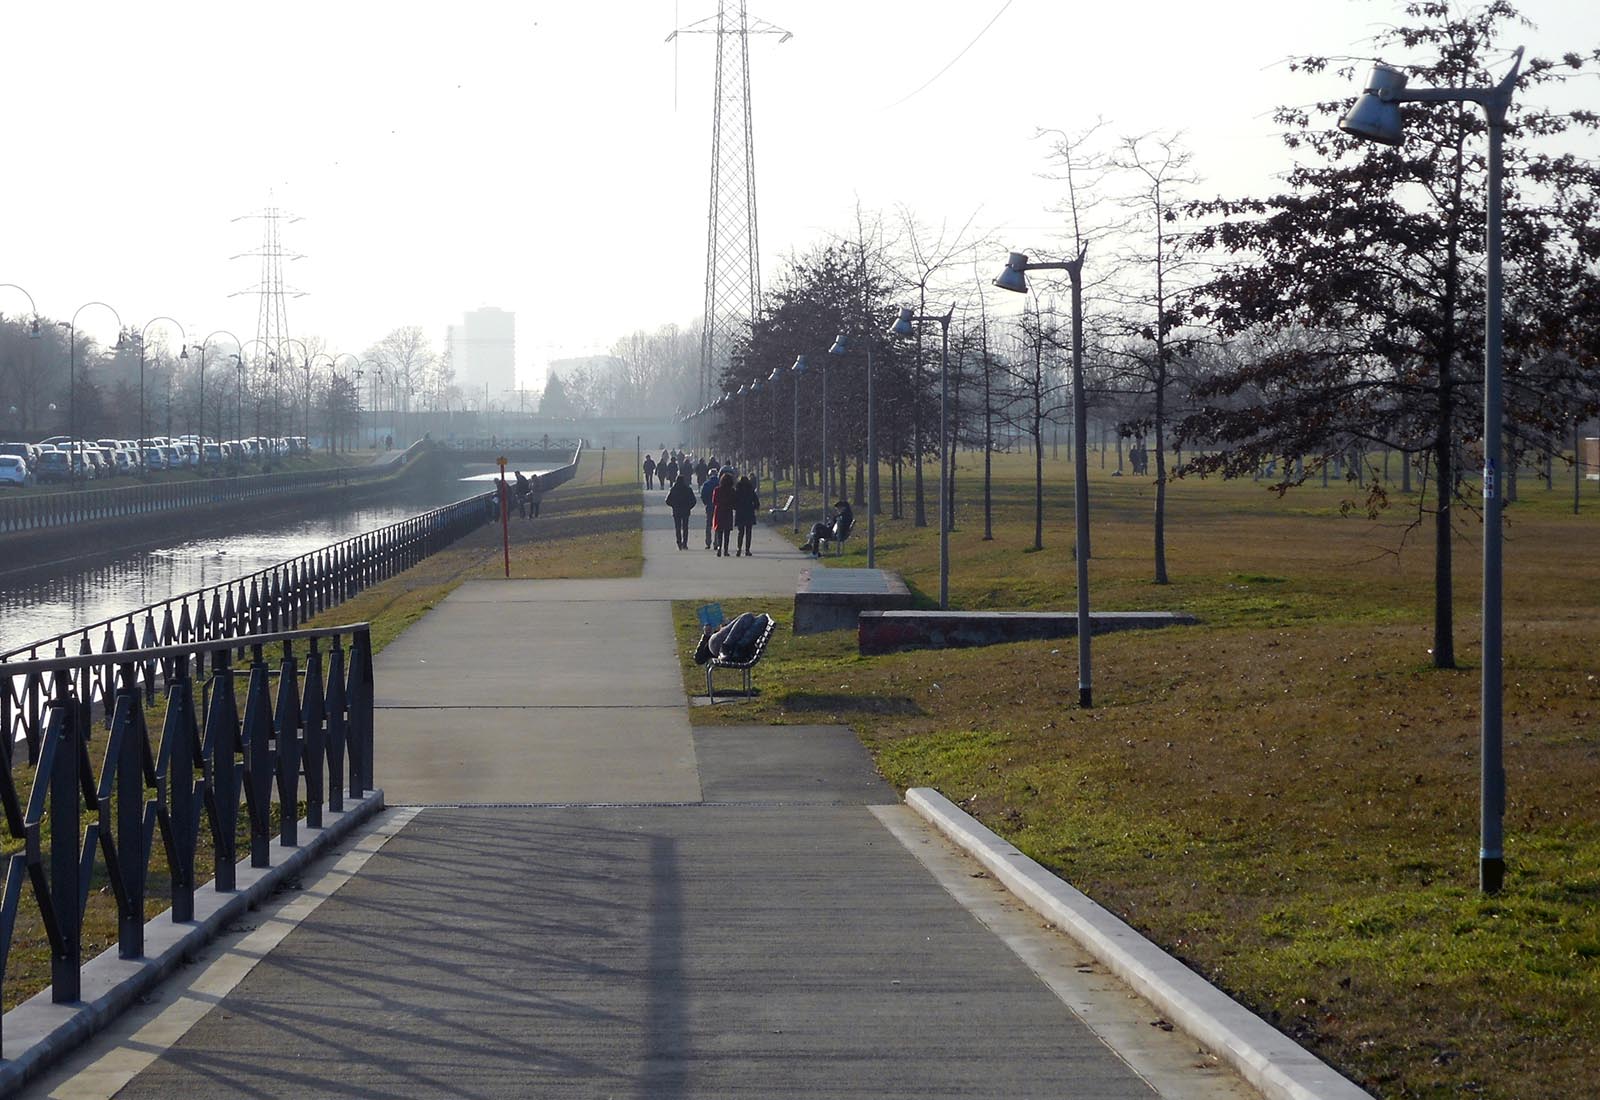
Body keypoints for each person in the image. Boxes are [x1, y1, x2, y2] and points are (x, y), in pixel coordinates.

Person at [666, 472, 697, 549]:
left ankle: (679, 542)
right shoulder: (688, 489)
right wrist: (689, 507)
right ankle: (685, 543)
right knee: (685, 527)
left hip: (676, 511)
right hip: (685, 511)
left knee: (678, 527)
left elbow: (667, 500)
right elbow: (693, 500)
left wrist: (673, 505)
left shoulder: (673, 489)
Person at [732, 475, 760, 557]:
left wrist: (736, 508)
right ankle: (747, 550)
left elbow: (734, 502)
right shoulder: (750, 490)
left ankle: (739, 549)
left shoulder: (737, 490)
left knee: (740, 532)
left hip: (740, 513)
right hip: (749, 512)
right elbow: (756, 502)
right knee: (748, 532)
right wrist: (754, 508)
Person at [711, 470, 737, 557]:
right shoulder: (732, 491)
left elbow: (714, 501)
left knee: (719, 532)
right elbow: (734, 502)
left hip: (719, 512)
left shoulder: (717, 490)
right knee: (727, 532)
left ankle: (719, 548)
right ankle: (725, 550)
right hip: (728, 512)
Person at [700, 467, 718, 548]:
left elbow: (702, 495)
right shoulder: (720, 483)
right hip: (718, 507)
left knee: (708, 525)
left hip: (709, 506)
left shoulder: (706, 484)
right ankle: (716, 542)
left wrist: (706, 503)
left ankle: (708, 542)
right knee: (717, 524)